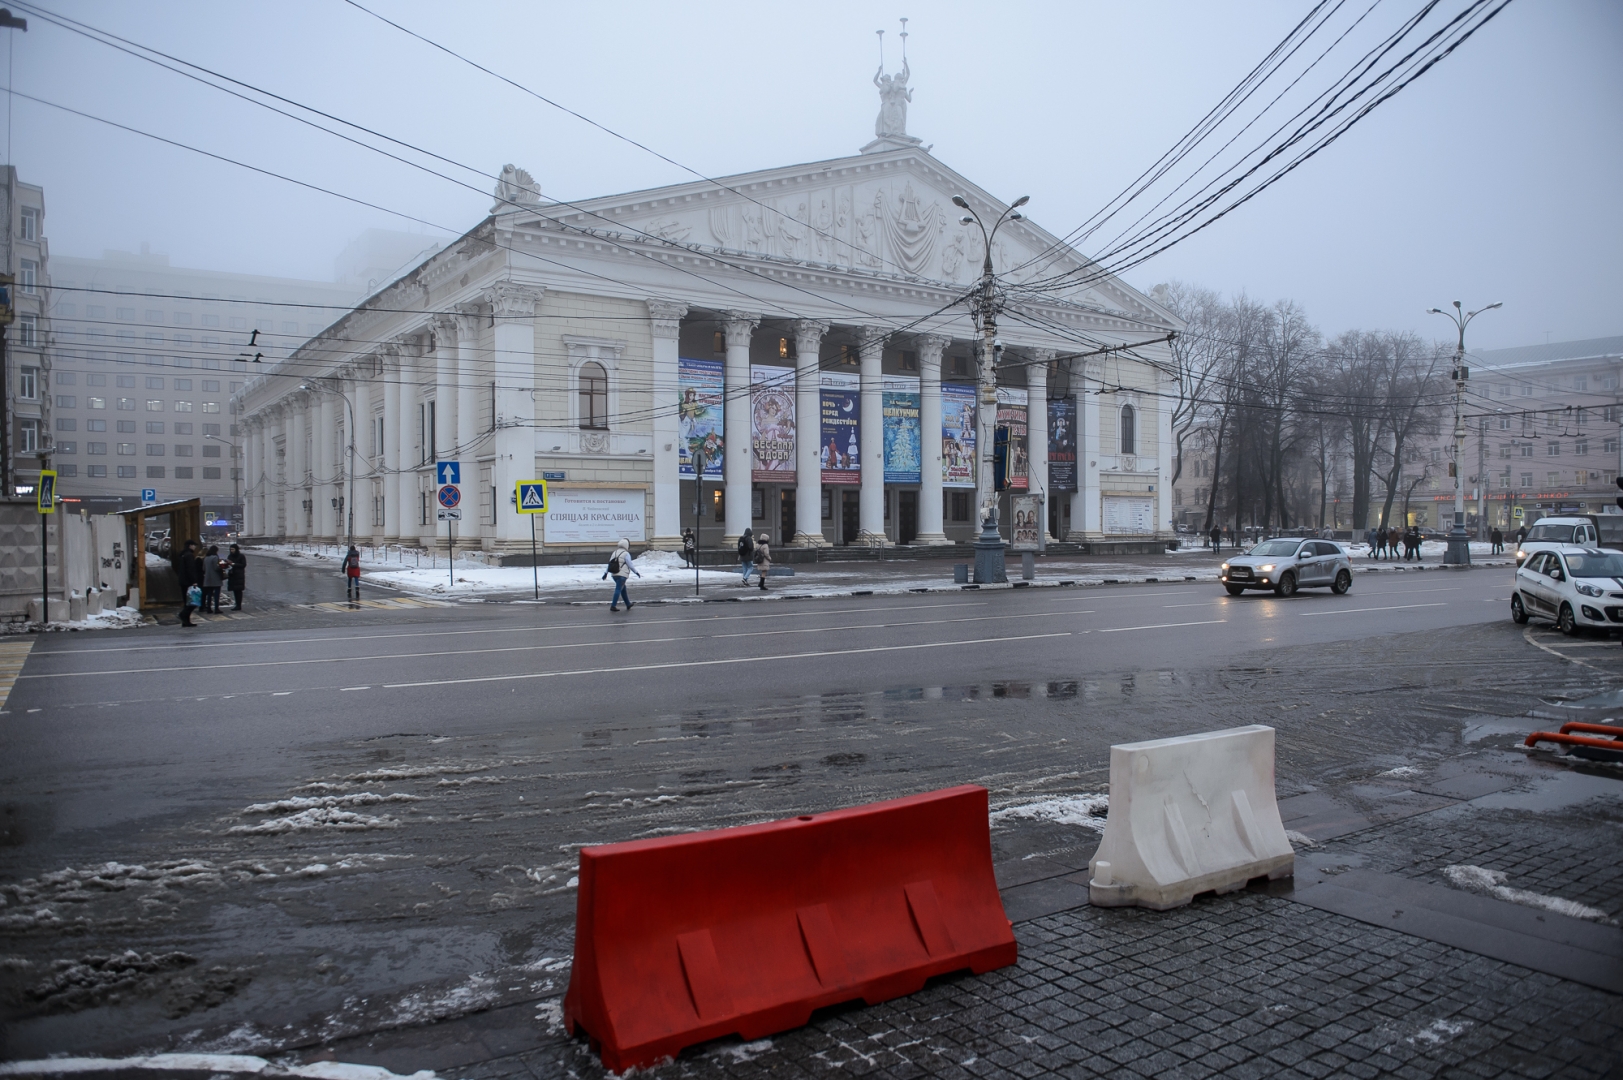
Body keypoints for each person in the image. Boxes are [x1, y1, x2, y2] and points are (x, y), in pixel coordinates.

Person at [603, 538, 640, 611]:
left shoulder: (614, 552)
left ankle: (628, 604)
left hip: (614, 574)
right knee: (618, 589)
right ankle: (613, 606)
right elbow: (630, 564)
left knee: (623, 589)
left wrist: (605, 573)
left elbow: (610, 563)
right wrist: (636, 572)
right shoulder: (626, 554)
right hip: (622, 575)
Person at [175, 539, 201, 627]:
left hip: (182, 581)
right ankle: (183, 615)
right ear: (190, 545)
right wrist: (194, 581)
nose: (195, 547)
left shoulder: (182, 554)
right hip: (188, 582)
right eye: (194, 545)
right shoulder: (189, 555)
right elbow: (191, 569)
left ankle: (186, 621)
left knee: (187, 601)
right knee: (192, 602)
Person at [201, 543, 224, 613]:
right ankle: (216, 608)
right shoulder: (215, 557)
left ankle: (209, 608)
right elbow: (216, 568)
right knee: (216, 594)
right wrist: (222, 567)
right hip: (215, 578)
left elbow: (203, 568)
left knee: (209, 594)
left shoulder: (206, 558)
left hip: (207, 578)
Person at [226, 544, 247, 611]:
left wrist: (234, 564)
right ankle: (237, 604)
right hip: (232, 575)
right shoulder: (230, 556)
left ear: (236, 549)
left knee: (239, 591)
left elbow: (243, 565)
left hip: (239, 576)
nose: (231, 551)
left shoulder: (241, 556)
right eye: (230, 549)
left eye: (233, 549)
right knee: (235, 590)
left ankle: (238, 605)